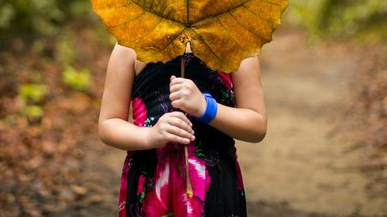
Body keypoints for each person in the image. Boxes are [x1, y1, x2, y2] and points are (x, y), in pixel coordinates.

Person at [98, 41, 267, 217]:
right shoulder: (130, 44)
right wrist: (150, 135)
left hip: (213, 182)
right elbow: (108, 123)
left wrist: (206, 108)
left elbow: (257, 125)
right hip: (150, 179)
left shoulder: (236, 42)